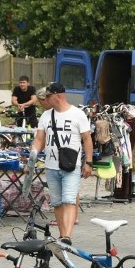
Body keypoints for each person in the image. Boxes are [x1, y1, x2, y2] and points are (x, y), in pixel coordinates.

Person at [31, 82, 93, 245]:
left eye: (48, 96)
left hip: (71, 165)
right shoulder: (46, 116)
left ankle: (67, 236)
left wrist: (89, 162)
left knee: (69, 200)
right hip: (51, 166)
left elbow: (87, 139)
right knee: (57, 202)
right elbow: (39, 139)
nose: (46, 100)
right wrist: (33, 155)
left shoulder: (77, 114)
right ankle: (62, 234)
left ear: (58, 96)